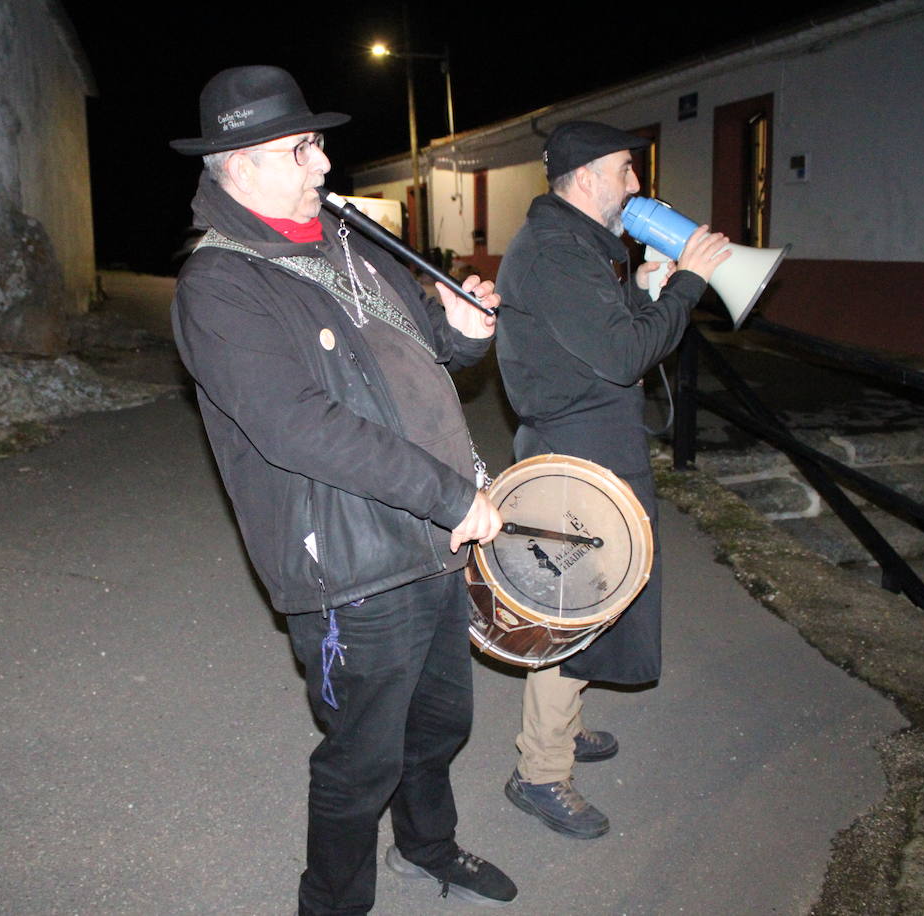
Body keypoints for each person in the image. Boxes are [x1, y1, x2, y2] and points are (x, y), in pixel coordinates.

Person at [169, 65, 517, 914]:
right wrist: (448, 496)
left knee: (438, 729)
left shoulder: (344, 241)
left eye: (316, 142)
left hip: (433, 540)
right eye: (300, 149)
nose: (322, 165)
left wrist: (463, 333)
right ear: (240, 163)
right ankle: (332, 903)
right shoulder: (220, 285)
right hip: (352, 567)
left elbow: (421, 342)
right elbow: (298, 426)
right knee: (362, 761)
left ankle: (428, 848)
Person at [493, 121, 729, 839]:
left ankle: (560, 728)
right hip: (577, 455)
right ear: (589, 176)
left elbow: (596, 334)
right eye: (626, 170)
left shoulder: (573, 248)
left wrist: (650, 286)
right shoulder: (558, 253)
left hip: (593, 444)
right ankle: (541, 770)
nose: (635, 185)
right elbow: (624, 355)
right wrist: (685, 285)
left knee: (599, 598)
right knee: (574, 609)